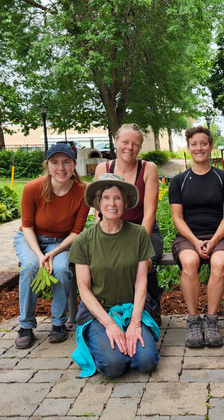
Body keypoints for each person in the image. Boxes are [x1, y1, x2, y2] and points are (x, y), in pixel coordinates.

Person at [68, 173, 160, 378]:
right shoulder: (84, 240)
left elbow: (141, 282)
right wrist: (110, 325)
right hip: (98, 313)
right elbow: (83, 288)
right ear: (98, 203)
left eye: (117, 198)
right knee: (114, 366)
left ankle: (128, 342)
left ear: (125, 202)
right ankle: (97, 343)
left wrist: (135, 323)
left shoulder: (138, 235)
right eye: (106, 198)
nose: (112, 203)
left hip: (131, 309)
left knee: (146, 362)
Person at [13, 143, 90, 349]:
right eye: (55, 162)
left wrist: (54, 253)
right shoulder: (33, 188)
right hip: (31, 239)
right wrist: (40, 256)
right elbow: (27, 227)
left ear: (74, 165)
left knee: (63, 269)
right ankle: (26, 325)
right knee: (29, 268)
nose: (61, 168)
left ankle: (58, 324)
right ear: (48, 165)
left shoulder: (82, 192)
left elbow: (76, 232)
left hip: (62, 242)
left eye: (66, 162)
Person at [168, 125, 224, 348]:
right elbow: (177, 219)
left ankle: (211, 320)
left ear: (211, 146)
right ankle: (193, 320)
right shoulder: (179, 181)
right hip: (188, 236)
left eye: (203, 143)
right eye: (194, 144)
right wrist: (196, 242)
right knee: (189, 262)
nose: (199, 148)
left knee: (219, 262)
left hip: (220, 235)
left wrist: (214, 240)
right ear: (188, 148)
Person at [93, 124, 164, 324]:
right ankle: (106, 307)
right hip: (110, 229)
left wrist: (140, 244)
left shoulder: (148, 169)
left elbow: (150, 212)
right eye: (125, 142)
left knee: (144, 258)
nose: (129, 147)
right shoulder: (103, 169)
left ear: (140, 147)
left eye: (135, 144)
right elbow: (99, 209)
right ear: (116, 142)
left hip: (143, 229)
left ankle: (151, 305)